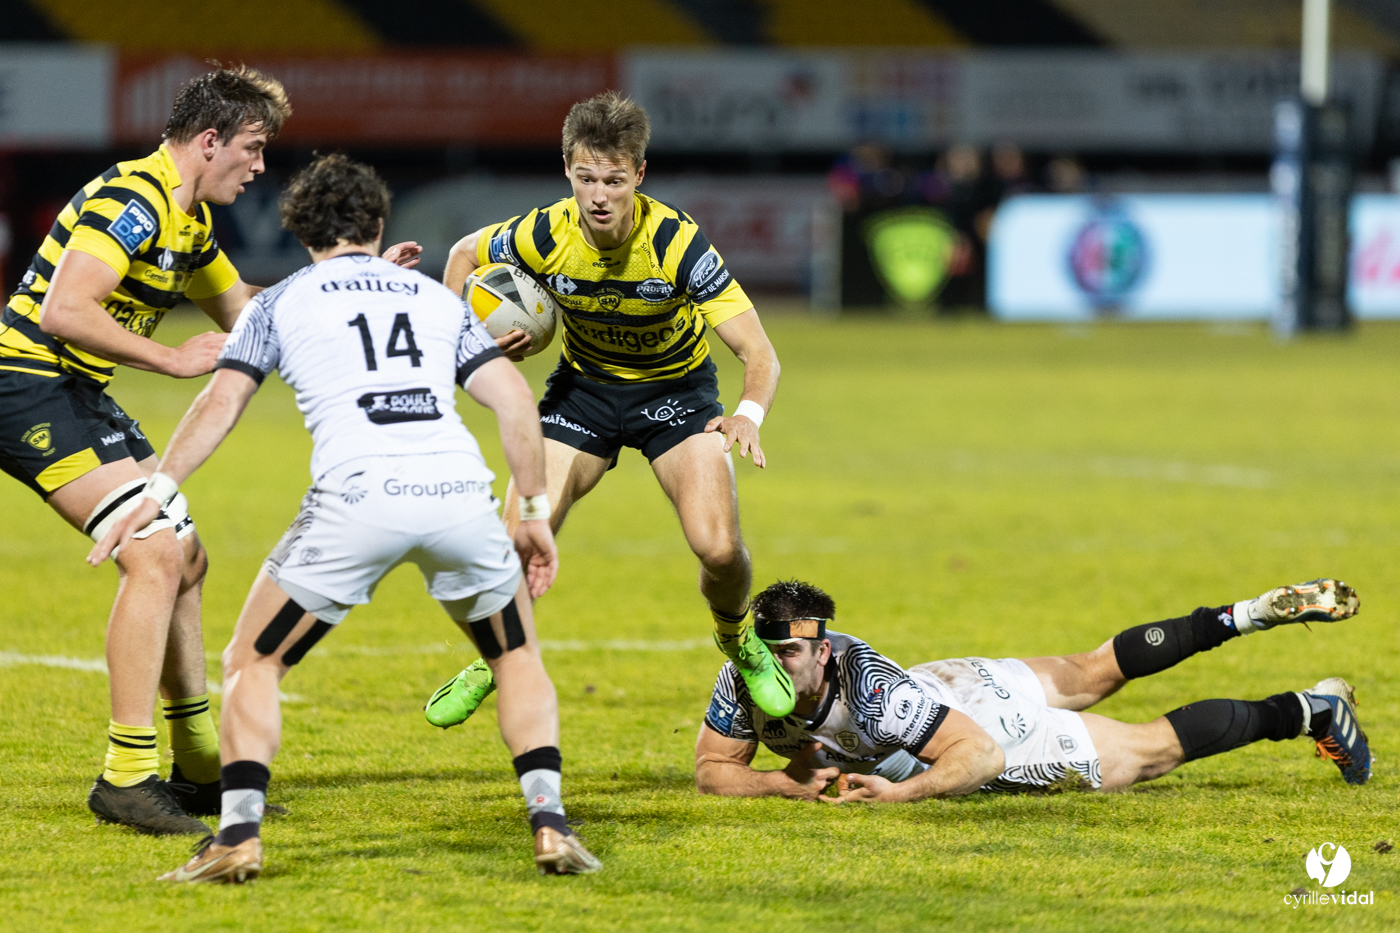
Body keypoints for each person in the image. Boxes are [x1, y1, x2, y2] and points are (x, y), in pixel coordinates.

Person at [90, 154, 600, 882]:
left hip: (356, 499)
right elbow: (516, 401)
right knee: (514, 655)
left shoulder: (278, 303)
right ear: (379, 224)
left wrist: (160, 485)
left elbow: (220, 404)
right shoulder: (435, 299)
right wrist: (530, 508)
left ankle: (237, 835)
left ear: (298, 230)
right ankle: (549, 823)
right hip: (458, 491)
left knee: (253, 660)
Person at [425, 90, 790, 725]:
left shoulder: (676, 244)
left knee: (719, 550)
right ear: (568, 169)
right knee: (515, 541)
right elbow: (462, 253)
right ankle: (497, 657)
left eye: (614, 180)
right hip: (584, 396)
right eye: (586, 178)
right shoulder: (543, 233)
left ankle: (738, 639)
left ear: (638, 176)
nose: (598, 195)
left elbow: (759, 352)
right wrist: (459, 337)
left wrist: (747, 415)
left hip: (677, 399)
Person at [0, 66, 291, 836]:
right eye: (253, 148)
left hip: (73, 392)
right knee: (155, 552)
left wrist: (353, 286)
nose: (260, 167)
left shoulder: (187, 221)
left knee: (186, 554)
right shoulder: (134, 199)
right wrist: (169, 358)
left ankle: (198, 768)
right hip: (24, 382)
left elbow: (250, 315)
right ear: (208, 140)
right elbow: (65, 308)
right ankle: (126, 774)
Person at [696, 579, 1369, 803]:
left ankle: (1311, 709)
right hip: (949, 680)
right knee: (1094, 667)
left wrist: (902, 792)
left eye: (792, 652)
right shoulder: (744, 675)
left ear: (822, 649)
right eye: (768, 652)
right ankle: (1246, 613)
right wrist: (783, 785)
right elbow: (712, 768)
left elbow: (980, 757)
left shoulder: (875, 694)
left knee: (1146, 751)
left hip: (979, 727)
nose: (777, 667)